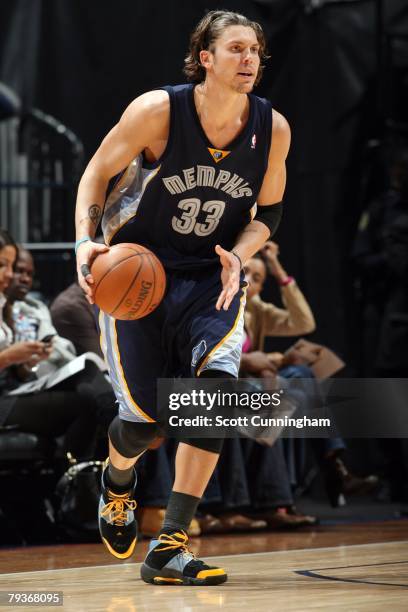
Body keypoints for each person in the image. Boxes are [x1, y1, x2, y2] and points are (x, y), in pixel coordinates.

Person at [75, 10, 289, 585]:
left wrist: (240, 255)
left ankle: (170, 545)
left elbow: (267, 213)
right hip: (139, 277)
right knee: (144, 422)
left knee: (217, 397)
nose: (250, 61)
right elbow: (96, 173)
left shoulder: (272, 128)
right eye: (237, 50)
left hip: (209, 278)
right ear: (205, 59)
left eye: (256, 52)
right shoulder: (158, 112)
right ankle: (118, 481)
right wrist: (85, 242)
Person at [0, 229, 98, 461]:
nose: (9, 275)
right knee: (87, 403)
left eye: (10, 266)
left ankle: (76, 482)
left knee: (90, 396)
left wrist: (26, 362)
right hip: (3, 399)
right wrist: (9, 357)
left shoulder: (5, 303)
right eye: (3, 265)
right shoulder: (72, 306)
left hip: (11, 390)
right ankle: (75, 484)